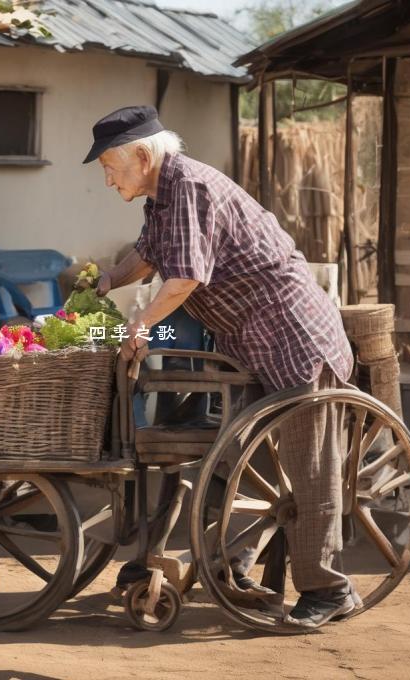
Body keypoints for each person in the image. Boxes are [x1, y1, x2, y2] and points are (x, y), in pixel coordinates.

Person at [83, 105, 356, 628]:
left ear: (142, 156)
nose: (106, 177)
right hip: (251, 344)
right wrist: (109, 280)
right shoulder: (162, 196)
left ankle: (328, 589)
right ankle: (232, 567)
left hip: (294, 336)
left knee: (309, 465)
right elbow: (149, 254)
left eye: (109, 166)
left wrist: (140, 327)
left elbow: (183, 278)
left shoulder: (190, 187)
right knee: (235, 455)